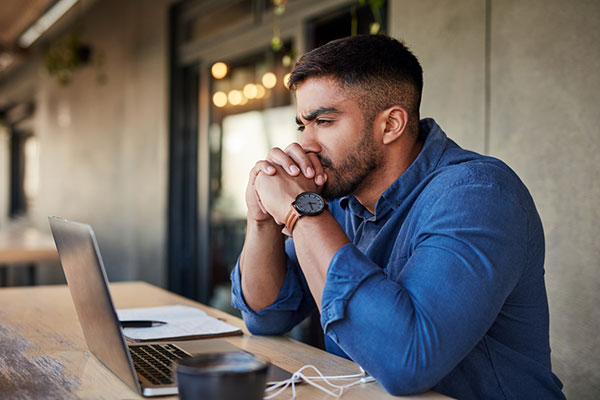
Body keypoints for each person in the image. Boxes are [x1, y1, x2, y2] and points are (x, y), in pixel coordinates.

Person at [230, 34, 565, 399]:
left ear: (390, 124)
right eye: (302, 126)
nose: (306, 143)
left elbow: (408, 363)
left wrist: (302, 212)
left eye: (323, 121)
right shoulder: (342, 203)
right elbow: (266, 316)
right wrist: (262, 218)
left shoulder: (478, 194)